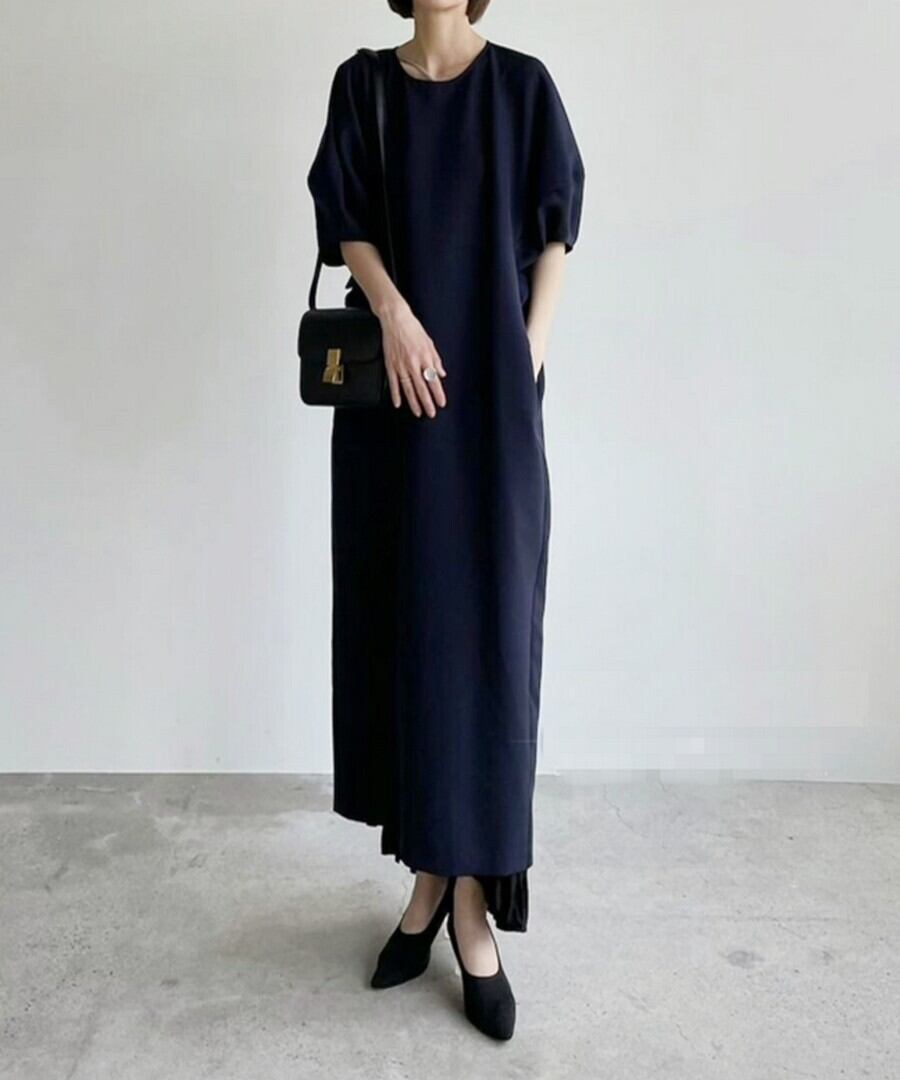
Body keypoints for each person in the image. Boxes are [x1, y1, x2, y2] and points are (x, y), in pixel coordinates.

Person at [306, 0, 584, 1041]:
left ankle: (471, 909)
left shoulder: (522, 88)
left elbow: (557, 229)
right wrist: (393, 312)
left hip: (493, 412)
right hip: (391, 411)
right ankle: (426, 879)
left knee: (490, 646)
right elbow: (346, 218)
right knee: (409, 639)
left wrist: (526, 355)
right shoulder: (363, 87)